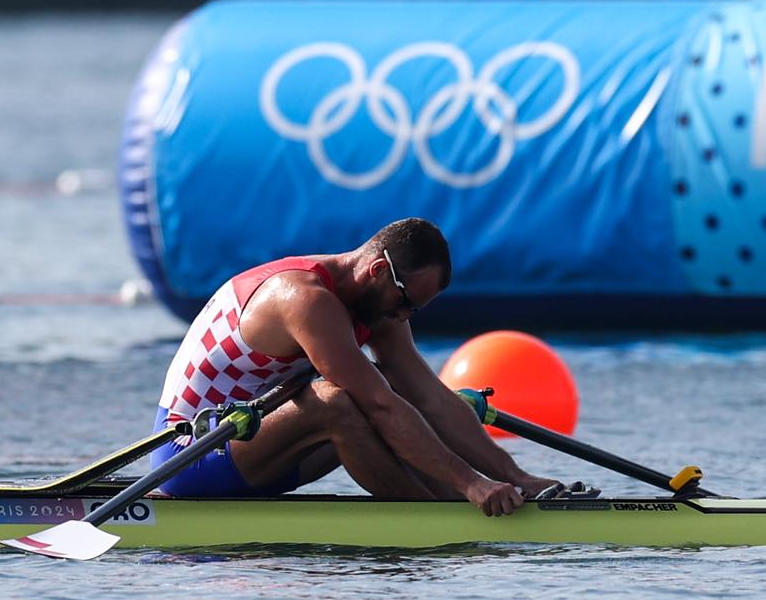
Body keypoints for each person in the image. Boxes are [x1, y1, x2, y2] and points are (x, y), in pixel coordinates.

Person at [150, 217, 559, 516]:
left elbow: (430, 397)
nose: (404, 317)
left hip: (263, 451)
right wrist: (471, 480)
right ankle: (441, 516)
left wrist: (515, 475)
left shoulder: (377, 302)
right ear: (379, 270)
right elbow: (379, 405)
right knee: (339, 401)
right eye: (404, 303)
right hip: (189, 457)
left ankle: (466, 504)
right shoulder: (304, 299)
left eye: (414, 309)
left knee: (398, 397)